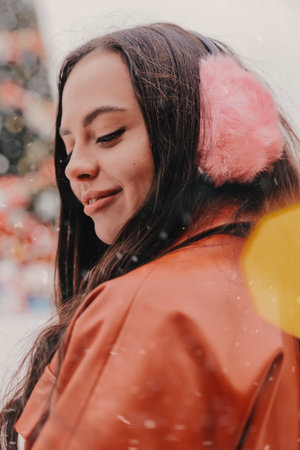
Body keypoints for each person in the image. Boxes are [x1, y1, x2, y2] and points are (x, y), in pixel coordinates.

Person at [1, 22, 300, 449]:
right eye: (68, 147)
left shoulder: (150, 306)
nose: (73, 168)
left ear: (205, 133)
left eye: (107, 135)